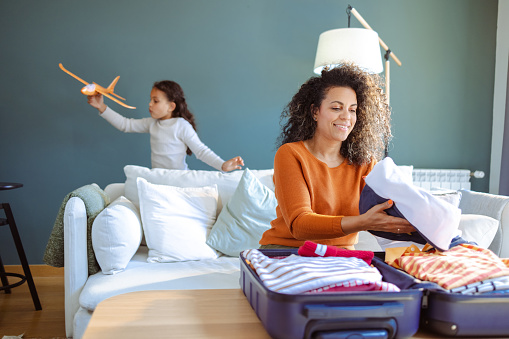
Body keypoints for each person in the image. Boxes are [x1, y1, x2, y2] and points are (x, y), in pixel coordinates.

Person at [259, 63, 414, 250]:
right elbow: (299, 225)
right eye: (336, 108)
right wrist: (362, 222)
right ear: (315, 111)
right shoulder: (291, 154)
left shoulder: (364, 163)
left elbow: (388, 212)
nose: (346, 117)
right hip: (288, 251)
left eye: (352, 109)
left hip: (340, 257)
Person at [87, 80, 244, 172]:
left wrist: (223, 165)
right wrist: (101, 107)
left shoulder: (181, 126)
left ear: (171, 106)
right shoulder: (152, 123)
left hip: (178, 180)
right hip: (159, 179)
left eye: (155, 101)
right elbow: (125, 125)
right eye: (150, 99)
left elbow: (201, 151)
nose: (150, 104)